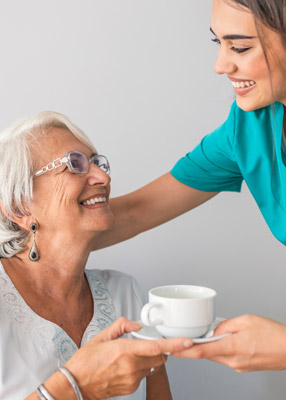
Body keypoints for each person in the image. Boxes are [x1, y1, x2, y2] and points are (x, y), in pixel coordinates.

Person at [93, 0, 286, 398]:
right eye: (218, 43)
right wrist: (30, 238)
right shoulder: (251, 126)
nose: (221, 65)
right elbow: (137, 210)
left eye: (240, 48)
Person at [0, 111, 193, 400]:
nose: (103, 176)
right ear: (20, 207)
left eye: (96, 162)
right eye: (74, 164)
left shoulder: (126, 294)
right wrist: (74, 385)